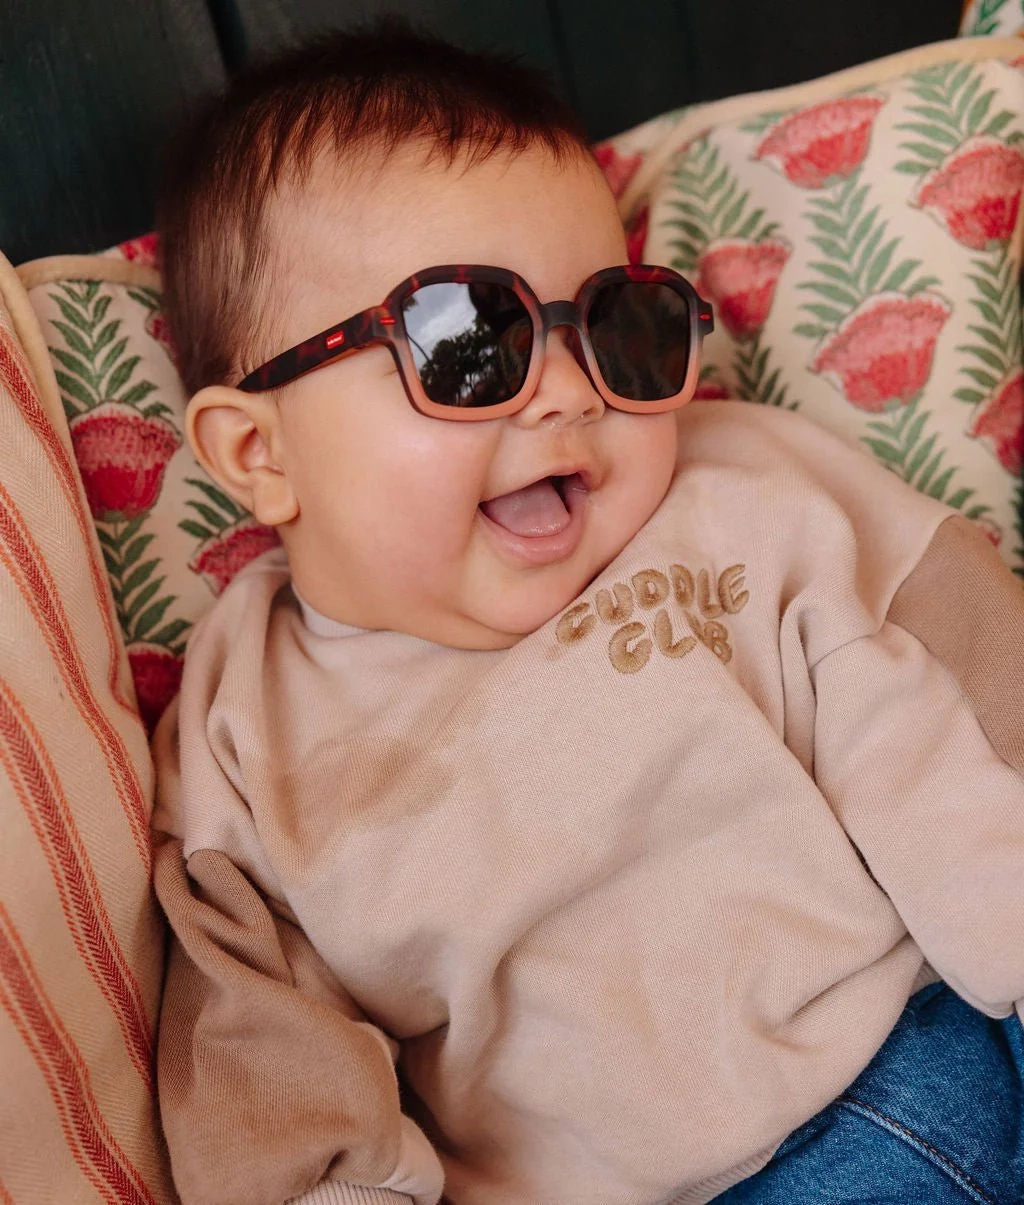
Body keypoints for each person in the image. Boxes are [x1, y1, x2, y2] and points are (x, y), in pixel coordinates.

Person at [150, 21, 1024, 1205]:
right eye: (471, 341)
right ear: (259, 453)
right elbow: (262, 1050)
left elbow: (958, 705)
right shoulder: (241, 728)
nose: (569, 391)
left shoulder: (738, 499)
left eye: (615, 328)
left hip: (914, 1062)